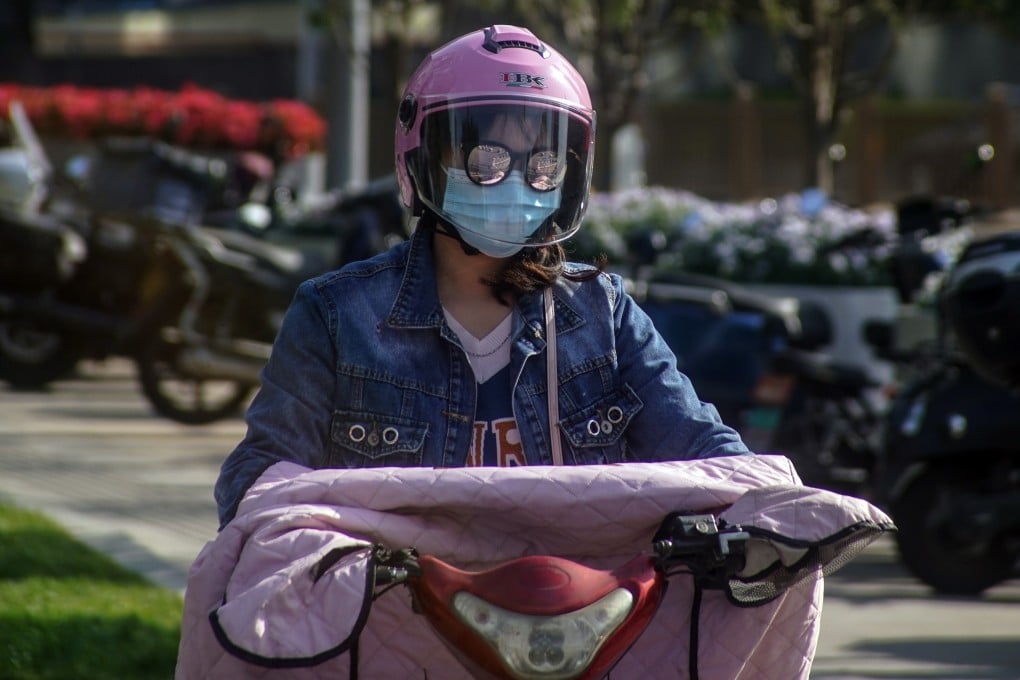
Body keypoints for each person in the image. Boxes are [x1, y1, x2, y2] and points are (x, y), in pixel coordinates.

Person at [214, 24, 751, 528]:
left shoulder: (602, 312)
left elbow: (703, 446)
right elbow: (256, 480)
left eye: (543, 165)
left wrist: (770, 500)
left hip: (577, 610)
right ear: (424, 157)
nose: (517, 181)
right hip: (399, 612)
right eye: (486, 159)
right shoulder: (335, 316)